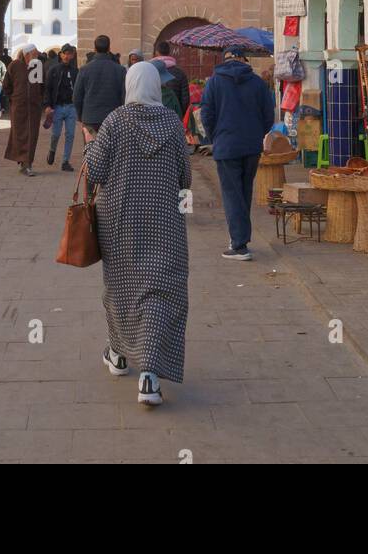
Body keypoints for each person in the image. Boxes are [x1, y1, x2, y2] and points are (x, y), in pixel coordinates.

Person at [86, 60, 191, 407]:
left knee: (120, 288)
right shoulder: (172, 123)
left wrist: (90, 145)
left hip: (119, 221)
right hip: (164, 221)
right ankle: (148, 374)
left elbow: (97, 170)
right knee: (160, 291)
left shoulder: (115, 122)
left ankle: (119, 354)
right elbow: (185, 177)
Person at [200, 46, 274, 260]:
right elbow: (268, 115)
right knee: (243, 192)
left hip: (226, 146)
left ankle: (240, 245)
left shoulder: (214, 82)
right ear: (244, 59)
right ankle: (239, 237)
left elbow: (206, 115)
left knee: (232, 195)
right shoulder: (258, 83)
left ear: (225, 60)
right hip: (251, 147)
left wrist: (216, 138)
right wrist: (257, 134)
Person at [73, 34, 127, 140]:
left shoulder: (84, 69)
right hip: (113, 119)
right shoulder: (120, 70)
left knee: (90, 152)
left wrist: (81, 116)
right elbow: (124, 96)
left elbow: (76, 97)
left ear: (94, 49)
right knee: (111, 153)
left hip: (90, 118)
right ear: (109, 49)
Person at [3, 44, 44, 175]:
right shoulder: (14, 66)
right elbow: (6, 85)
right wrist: (14, 99)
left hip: (33, 108)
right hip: (18, 107)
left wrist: (40, 100)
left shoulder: (37, 66)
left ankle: (27, 164)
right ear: (27, 55)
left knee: (32, 135)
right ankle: (22, 160)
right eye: (35, 54)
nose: (37, 56)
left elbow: (41, 87)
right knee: (19, 134)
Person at [44, 43, 79, 172]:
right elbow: (48, 89)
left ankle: (65, 161)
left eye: (70, 53)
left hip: (71, 107)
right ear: (61, 54)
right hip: (57, 107)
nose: (67, 56)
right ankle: (52, 150)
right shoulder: (54, 70)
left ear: (73, 55)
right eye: (65, 53)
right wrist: (47, 105)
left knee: (70, 134)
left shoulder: (76, 72)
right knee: (56, 134)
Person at [153, 41, 191, 116]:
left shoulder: (150, 71)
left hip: (154, 117)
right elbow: (185, 100)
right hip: (175, 116)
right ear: (169, 52)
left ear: (156, 52)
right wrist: (180, 115)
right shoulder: (180, 73)